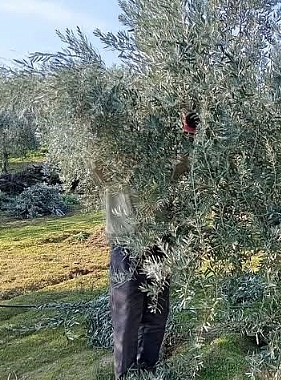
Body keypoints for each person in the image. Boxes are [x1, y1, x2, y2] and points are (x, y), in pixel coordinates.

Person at [91, 112, 199, 379]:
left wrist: (189, 132)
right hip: (126, 246)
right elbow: (95, 165)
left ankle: (148, 369)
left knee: (157, 314)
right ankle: (125, 375)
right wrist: (94, 125)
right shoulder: (113, 167)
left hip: (159, 245)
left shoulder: (160, 165)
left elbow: (181, 166)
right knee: (127, 318)